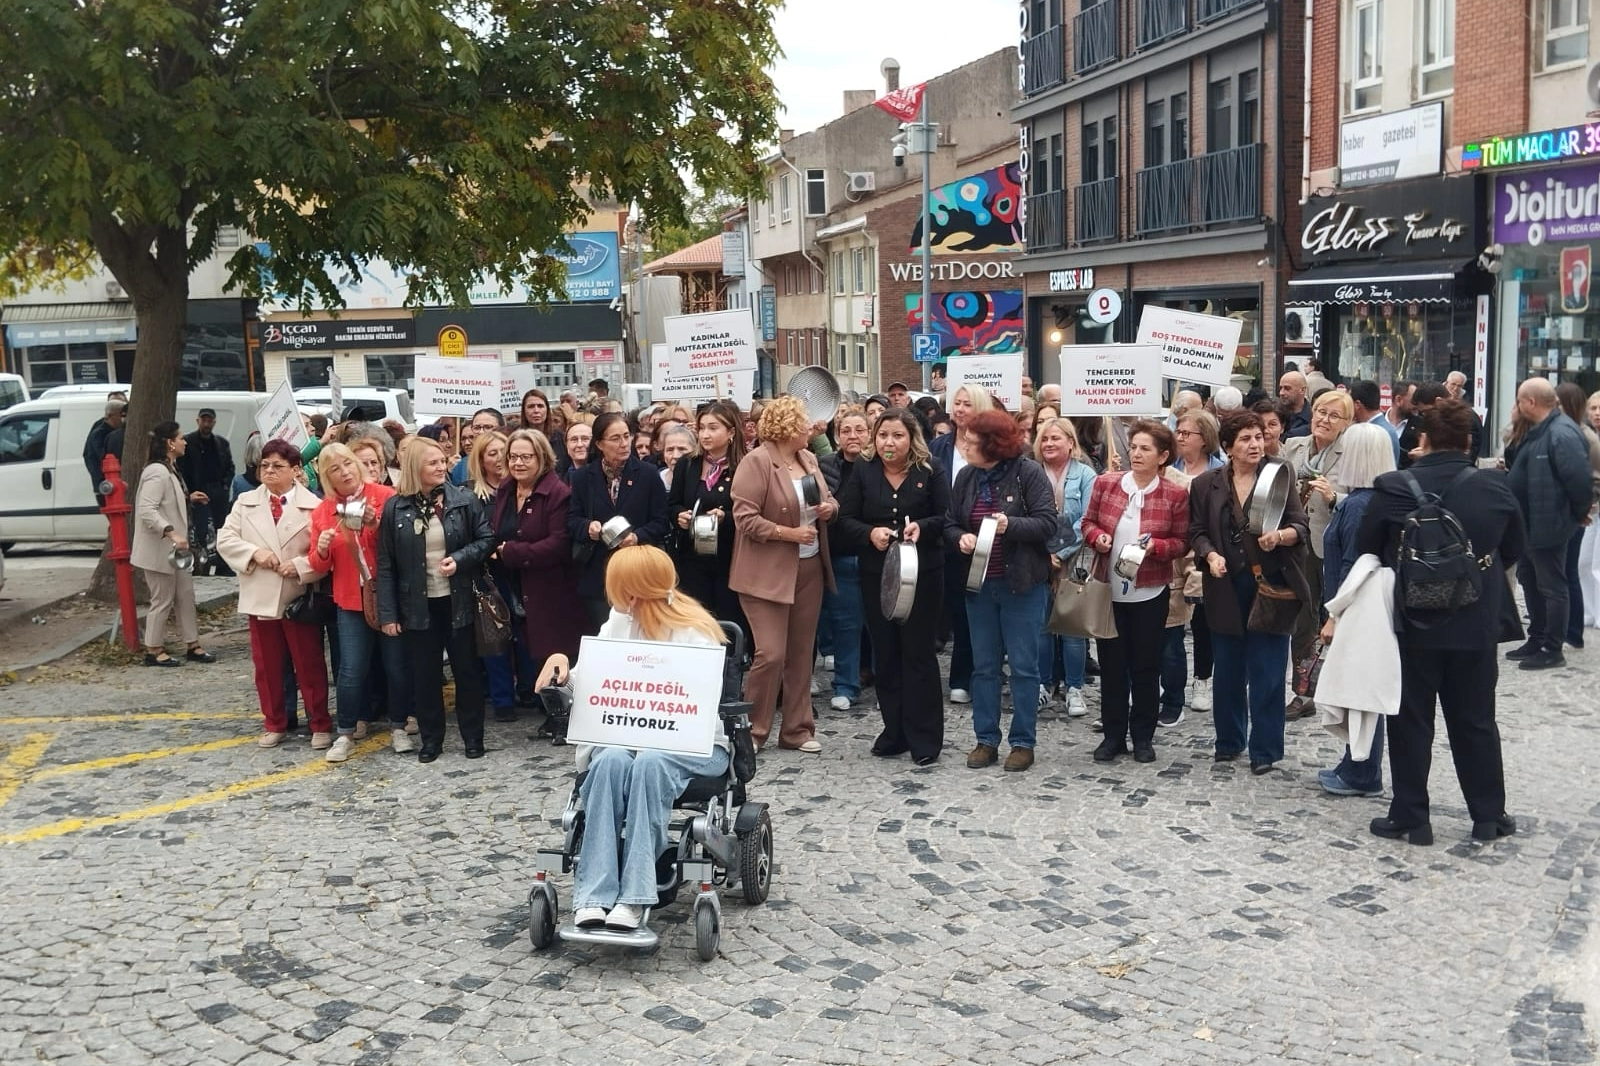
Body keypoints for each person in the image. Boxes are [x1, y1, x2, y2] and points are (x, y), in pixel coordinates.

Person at [1352, 399, 1522, 844]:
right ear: (1468, 441)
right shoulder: (1494, 486)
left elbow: (1366, 546)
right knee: (1476, 721)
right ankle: (1488, 816)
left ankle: (1412, 817)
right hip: (1474, 619)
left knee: (1410, 721)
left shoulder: (1393, 486)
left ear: (1423, 437)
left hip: (1411, 621)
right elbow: (1515, 548)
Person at [535, 545, 730, 931]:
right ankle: (594, 895)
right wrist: (561, 667)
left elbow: (697, 707)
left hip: (694, 746)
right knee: (609, 761)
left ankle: (636, 895)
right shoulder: (618, 623)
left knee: (651, 760)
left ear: (635, 591)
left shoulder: (696, 633)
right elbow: (589, 681)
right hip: (627, 741)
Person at [1189, 410, 1311, 774]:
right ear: (1228, 447)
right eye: (1245, 439)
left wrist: (1281, 536)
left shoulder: (1279, 473)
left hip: (1271, 584)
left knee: (1268, 672)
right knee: (1227, 670)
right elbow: (1197, 531)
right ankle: (1229, 741)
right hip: (1224, 585)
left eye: (1258, 437)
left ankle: (1265, 750)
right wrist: (1210, 555)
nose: (1255, 444)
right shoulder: (1206, 484)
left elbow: (1300, 525)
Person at [947, 410, 1057, 772]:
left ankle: (1023, 742)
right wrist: (959, 537)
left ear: (992, 445)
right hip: (979, 585)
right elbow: (950, 522)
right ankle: (986, 739)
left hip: (1021, 585)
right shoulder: (966, 477)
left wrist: (1011, 525)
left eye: (970, 441)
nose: (964, 446)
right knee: (984, 667)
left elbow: (1047, 523)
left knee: (1024, 667)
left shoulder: (1028, 473)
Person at [837, 409, 949, 763]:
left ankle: (924, 738)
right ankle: (894, 732)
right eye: (883, 435)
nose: (889, 442)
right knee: (886, 653)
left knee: (918, 653)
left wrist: (922, 528)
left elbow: (946, 517)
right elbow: (845, 519)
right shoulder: (864, 470)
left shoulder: (930, 469)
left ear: (911, 438)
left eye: (897, 436)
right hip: (878, 574)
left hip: (923, 574)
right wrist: (870, 533)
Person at [376, 435, 495, 762]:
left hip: (458, 599)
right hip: (417, 604)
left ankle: (473, 737)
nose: (442, 467)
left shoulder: (464, 500)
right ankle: (432, 740)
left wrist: (460, 559)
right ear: (415, 467)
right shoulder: (395, 507)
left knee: (467, 672)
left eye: (443, 461)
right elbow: (386, 564)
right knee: (425, 676)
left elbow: (486, 538)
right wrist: (388, 614)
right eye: (433, 462)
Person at [730, 395, 837, 753]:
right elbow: (745, 519)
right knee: (771, 653)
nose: (811, 427)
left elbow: (828, 499)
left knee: (801, 654)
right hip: (764, 573)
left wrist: (829, 508)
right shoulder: (757, 462)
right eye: (804, 421)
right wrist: (788, 534)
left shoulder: (808, 459)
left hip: (809, 567)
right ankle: (753, 730)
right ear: (788, 427)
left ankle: (797, 730)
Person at [1080, 421, 1190, 763]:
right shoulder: (1107, 483)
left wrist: (1157, 546)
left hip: (1150, 592)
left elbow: (1181, 542)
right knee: (1112, 667)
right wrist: (1097, 537)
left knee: (1146, 667)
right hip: (1109, 590)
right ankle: (1113, 736)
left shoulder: (1174, 494)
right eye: (1134, 447)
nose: (1137, 454)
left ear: (1163, 456)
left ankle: (1143, 736)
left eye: (1145, 449)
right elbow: (1087, 523)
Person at [215, 440, 332, 749]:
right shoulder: (245, 502)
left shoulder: (314, 505)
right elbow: (225, 539)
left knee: (309, 664)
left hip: (298, 597)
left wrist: (301, 567)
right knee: (267, 667)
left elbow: (325, 552)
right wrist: (254, 553)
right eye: (264, 465)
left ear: (295, 470)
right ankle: (274, 722)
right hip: (261, 595)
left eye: (277, 466)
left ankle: (319, 722)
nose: (269, 471)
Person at [301, 442, 413, 757]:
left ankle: (399, 726)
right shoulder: (323, 511)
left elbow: (402, 545)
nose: (345, 472)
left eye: (348, 463)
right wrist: (321, 549)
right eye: (335, 469)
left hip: (390, 597)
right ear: (327, 477)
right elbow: (318, 565)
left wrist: (375, 524)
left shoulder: (386, 497)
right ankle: (346, 733)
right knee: (350, 669)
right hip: (351, 599)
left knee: (396, 666)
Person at [1310, 423, 1395, 797]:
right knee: (1358, 690)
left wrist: (1334, 616)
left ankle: (1363, 771)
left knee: (1360, 692)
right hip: (1358, 605)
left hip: (1356, 608)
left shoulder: (1361, 505)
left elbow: (1352, 563)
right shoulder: (1367, 500)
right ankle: (1356, 764)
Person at [1506, 378, 1596, 669]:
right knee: (1530, 581)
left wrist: (1576, 514)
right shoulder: (1538, 429)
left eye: (1520, 400)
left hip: (1549, 525)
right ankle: (1537, 637)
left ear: (1531, 402)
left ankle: (1552, 647)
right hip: (1530, 525)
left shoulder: (1561, 433)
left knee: (1552, 586)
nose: (1517, 405)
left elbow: (1579, 481)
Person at [1279, 388, 1355, 718]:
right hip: (1298, 543)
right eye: (1321, 412)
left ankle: (1343, 686)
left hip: (1334, 542)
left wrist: (1334, 497)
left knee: (1337, 616)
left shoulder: (1351, 452)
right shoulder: (1295, 445)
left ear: (1346, 422)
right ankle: (1304, 691)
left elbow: (1362, 500)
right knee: (1303, 616)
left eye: (1334, 415)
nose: (1324, 419)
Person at [493, 429, 581, 709]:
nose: (518, 463)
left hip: (550, 587)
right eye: (513, 457)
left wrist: (512, 552)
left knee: (554, 654)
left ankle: (561, 715)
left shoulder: (557, 493)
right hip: (514, 584)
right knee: (529, 652)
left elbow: (558, 544)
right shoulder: (506, 489)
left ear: (541, 457)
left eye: (526, 457)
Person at [568, 411, 671, 633]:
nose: (624, 444)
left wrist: (637, 536)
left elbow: (661, 522)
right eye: (615, 438)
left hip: (638, 569)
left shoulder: (648, 474)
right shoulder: (583, 477)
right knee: (606, 634)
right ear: (599, 444)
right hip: (600, 574)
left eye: (626, 436)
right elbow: (572, 520)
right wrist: (588, 527)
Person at [131, 421, 218, 668]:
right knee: (163, 598)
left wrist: (188, 498)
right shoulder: (157, 472)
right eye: (180, 438)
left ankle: (193, 644)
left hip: (175, 550)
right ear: (170, 443)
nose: (185, 441)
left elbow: (165, 502)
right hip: (161, 549)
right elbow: (147, 509)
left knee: (185, 595)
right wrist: (170, 532)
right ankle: (153, 649)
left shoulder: (169, 469)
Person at [930, 383, 995, 704]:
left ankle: (966, 676)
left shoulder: (991, 447)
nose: (960, 409)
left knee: (973, 613)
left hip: (978, 539)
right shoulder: (938, 446)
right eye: (957, 403)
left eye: (967, 403)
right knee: (950, 609)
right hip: (942, 536)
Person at [666, 401, 748, 641]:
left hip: (730, 558)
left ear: (731, 432)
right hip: (693, 559)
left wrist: (725, 518)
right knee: (696, 623)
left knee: (728, 623)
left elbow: (753, 510)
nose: (705, 434)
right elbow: (672, 504)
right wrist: (679, 516)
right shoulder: (687, 464)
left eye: (713, 428)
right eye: (701, 428)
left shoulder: (745, 465)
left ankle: (730, 661)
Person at [1033, 417, 1096, 718]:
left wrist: (1061, 552)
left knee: (1072, 629)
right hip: (1038, 558)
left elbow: (1088, 518)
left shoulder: (1085, 474)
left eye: (1055, 438)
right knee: (1042, 626)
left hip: (1075, 560)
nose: (1049, 443)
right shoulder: (1032, 472)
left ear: (1071, 442)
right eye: (1044, 439)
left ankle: (1074, 688)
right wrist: (1044, 553)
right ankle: (1044, 684)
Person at [818, 406, 870, 711]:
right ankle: (845, 685)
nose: (853, 436)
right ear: (837, 436)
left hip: (872, 554)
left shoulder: (878, 466)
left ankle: (883, 685)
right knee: (843, 625)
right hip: (838, 555)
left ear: (869, 434)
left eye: (859, 430)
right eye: (846, 430)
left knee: (877, 627)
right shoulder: (824, 466)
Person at [1555, 383, 1600, 650]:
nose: (1597, 413)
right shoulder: (1580, 433)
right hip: (1587, 510)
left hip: (1587, 508)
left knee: (1590, 564)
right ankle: (1588, 612)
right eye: (1593, 408)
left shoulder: (1587, 438)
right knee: (1583, 564)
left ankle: (1588, 617)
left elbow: (1591, 477)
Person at [177, 408, 237, 574]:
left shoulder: (221, 443)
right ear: (198, 421)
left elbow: (230, 466)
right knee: (200, 530)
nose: (206, 424)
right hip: (197, 492)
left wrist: (224, 486)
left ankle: (222, 564)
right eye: (203, 420)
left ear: (214, 423)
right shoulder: (188, 442)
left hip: (218, 492)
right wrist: (189, 492)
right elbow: (182, 469)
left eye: (209, 421)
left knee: (221, 528)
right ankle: (201, 565)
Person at [84, 399, 126, 504]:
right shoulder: (100, 434)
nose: (123, 419)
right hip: (106, 485)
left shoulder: (111, 432)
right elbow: (104, 457)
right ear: (110, 415)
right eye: (121, 415)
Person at [451, 408, 506, 485]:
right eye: (476, 428)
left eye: (488, 427)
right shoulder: (461, 466)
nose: (481, 432)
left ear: (502, 428)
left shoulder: (513, 459)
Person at [1173, 409, 1223, 477]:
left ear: (1204, 438)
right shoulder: (1169, 464)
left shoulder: (1219, 472)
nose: (1178, 438)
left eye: (1185, 433)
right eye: (1178, 432)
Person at [658, 424, 696, 490]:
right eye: (670, 450)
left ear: (694, 450)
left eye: (682, 449)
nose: (676, 456)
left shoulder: (704, 482)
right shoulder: (654, 480)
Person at [1277, 371, 1311, 439]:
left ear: (1302, 390)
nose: (1281, 393)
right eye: (1281, 388)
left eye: (1287, 388)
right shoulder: (1274, 413)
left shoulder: (1313, 418)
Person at [559, 416, 594, 481]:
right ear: (566, 445)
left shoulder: (606, 477)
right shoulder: (558, 480)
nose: (579, 444)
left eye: (585, 439)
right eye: (574, 439)